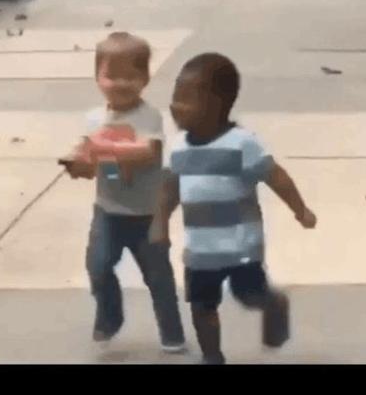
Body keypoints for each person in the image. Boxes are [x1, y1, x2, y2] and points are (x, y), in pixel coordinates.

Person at [149, 53, 317, 364]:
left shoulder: (242, 144)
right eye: (175, 96)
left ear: (216, 104)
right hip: (200, 250)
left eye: (185, 99)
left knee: (249, 296)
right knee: (201, 305)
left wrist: (300, 209)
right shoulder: (179, 147)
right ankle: (212, 356)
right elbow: (168, 190)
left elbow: (275, 176)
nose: (175, 106)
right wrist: (159, 224)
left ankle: (273, 304)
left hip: (241, 248)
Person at [61, 32, 185, 352]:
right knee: (98, 267)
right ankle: (109, 316)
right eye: (111, 75)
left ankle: (172, 334)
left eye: (131, 76)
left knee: (158, 278)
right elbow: (93, 163)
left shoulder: (148, 116)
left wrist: (100, 150)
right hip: (108, 211)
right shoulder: (94, 119)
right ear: (97, 78)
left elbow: (147, 153)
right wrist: (78, 162)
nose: (121, 83)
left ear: (145, 78)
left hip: (147, 215)